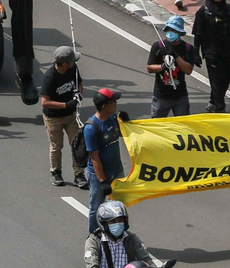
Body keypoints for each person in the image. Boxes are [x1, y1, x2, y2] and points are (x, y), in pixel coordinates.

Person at [41, 45, 88, 189]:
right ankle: (56, 172)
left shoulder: (73, 69)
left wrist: (78, 94)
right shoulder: (50, 77)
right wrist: (66, 105)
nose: (75, 62)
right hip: (53, 118)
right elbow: (45, 102)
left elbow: (79, 84)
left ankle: (79, 174)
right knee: (56, 146)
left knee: (77, 144)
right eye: (73, 60)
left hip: (70, 116)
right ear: (65, 64)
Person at [84, 88, 125, 234]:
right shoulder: (91, 128)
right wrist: (103, 181)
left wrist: (126, 123)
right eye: (113, 102)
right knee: (96, 206)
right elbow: (94, 157)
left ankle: (118, 234)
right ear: (104, 106)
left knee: (119, 205)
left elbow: (120, 134)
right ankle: (94, 236)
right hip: (99, 175)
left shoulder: (113, 119)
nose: (116, 104)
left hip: (116, 168)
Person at [192, 0, 230, 113]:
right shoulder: (204, 12)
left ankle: (213, 102)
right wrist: (196, 54)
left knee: (225, 81)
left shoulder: (228, 10)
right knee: (216, 82)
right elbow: (198, 34)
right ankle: (220, 108)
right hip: (211, 53)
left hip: (227, 53)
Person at [147, 15, 195, 117]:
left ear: (180, 33)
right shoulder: (158, 46)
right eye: (169, 30)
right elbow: (150, 68)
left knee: (183, 126)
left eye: (174, 30)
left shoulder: (188, 48)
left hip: (180, 96)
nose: (171, 33)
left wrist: (175, 55)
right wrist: (163, 66)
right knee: (158, 125)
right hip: (161, 96)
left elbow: (188, 70)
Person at [84, 201, 156, 268]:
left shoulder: (131, 238)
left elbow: (145, 259)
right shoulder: (94, 241)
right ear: (104, 223)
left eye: (120, 220)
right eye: (113, 221)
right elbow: (92, 265)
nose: (118, 224)